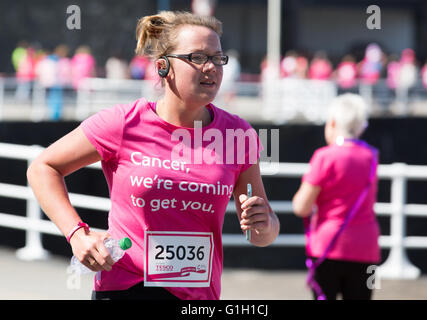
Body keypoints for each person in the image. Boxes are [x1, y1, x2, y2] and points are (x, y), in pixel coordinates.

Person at [27, 11, 279, 300]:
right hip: (125, 289)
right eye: (197, 57)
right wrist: (76, 234)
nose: (212, 67)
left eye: (218, 58)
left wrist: (265, 223)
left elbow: (261, 234)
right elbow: (43, 167)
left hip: (197, 297)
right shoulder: (123, 123)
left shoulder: (238, 134)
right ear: (163, 67)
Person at [292, 93, 380, 300]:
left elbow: (301, 207)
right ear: (361, 127)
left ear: (331, 123)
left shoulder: (324, 156)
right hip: (367, 247)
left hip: (328, 245)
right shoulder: (372, 156)